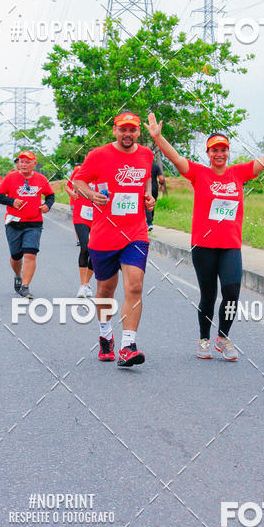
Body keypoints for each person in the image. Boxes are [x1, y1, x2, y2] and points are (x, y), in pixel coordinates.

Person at [146, 113, 264, 360]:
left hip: (230, 246)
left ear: (228, 152)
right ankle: (203, 340)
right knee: (208, 296)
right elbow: (175, 157)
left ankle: (223, 338)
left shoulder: (238, 173)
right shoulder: (199, 173)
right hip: (204, 246)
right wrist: (158, 137)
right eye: (214, 150)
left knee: (232, 294)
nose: (219, 154)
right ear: (208, 153)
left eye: (223, 150)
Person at [73, 112, 155, 368]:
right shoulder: (98, 155)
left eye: (132, 130)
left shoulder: (146, 155)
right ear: (115, 131)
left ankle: (128, 346)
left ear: (138, 132)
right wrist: (90, 195)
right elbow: (78, 180)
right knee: (105, 290)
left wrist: (149, 196)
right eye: (123, 129)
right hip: (104, 235)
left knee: (135, 286)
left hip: (135, 233)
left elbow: (146, 180)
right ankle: (105, 335)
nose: (127, 134)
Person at [0, 151, 55, 298]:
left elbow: (50, 195)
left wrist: (47, 205)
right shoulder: (11, 177)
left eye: (27, 162)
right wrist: (12, 201)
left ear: (34, 164)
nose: (24, 164)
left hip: (34, 222)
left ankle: (25, 287)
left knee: (30, 254)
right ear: (18, 164)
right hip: (14, 222)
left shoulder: (41, 179)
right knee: (16, 256)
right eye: (21, 162)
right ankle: (18, 276)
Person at [65, 165, 95, 298]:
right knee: (85, 247)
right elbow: (68, 186)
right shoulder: (79, 171)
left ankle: (86, 283)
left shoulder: (104, 172)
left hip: (98, 216)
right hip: (81, 215)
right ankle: (83, 285)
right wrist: (71, 193)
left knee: (95, 250)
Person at [145, 160, 164, 232]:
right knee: (152, 203)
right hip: (154, 188)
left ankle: (149, 223)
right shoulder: (156, 166)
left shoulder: (143, 165)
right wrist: (161, 184)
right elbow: (161, 178)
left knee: (147, 205)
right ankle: (150, 220)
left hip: (146, 187)